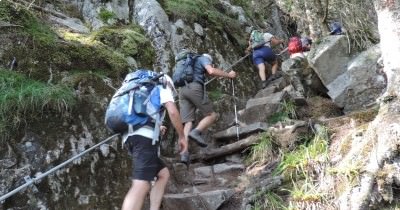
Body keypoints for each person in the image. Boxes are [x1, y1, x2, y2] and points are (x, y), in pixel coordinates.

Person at [121, 74, 188, 210]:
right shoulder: (162, 86)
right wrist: (182, 136)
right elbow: (173, 112)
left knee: (163, 174)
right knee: (142, 184)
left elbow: (143, 115)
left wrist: (157, 125)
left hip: (130, 138)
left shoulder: (137, 91)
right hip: (144, 139)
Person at [178, 53, 237, 148]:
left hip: (182, 90)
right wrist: (229, 75)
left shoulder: (189, 64)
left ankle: (184, 153)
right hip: (194, 88)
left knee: (188, 122)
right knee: (211, 115)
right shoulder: (203, 59)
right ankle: (196, 132)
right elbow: (211, 71)